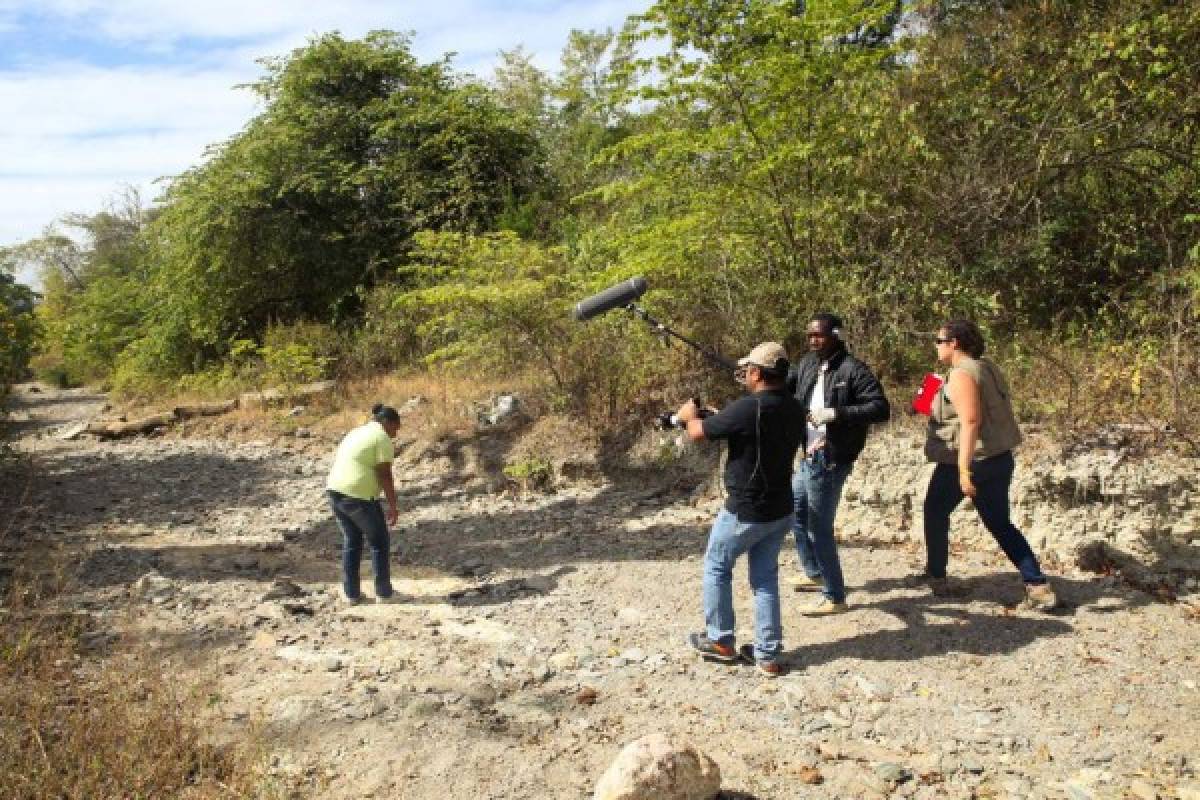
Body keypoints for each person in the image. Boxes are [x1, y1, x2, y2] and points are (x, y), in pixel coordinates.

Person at [677, 342, 805, 677]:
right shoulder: (793, 406)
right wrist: (722, 415)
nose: (744, 374)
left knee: (717, 566)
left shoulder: (748, 408)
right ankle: (768, 655)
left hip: (746, 509)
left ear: (758, 373)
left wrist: (686, 415)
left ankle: (720, 640)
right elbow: (743, 426)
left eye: (748, 369)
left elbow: (697, 432)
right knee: (765, 580)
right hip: (780, 508)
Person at [917, 319, 1057, 609]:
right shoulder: (985, 367)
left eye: (939, 341)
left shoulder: (961, 375)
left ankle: (937, 577)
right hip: (998, 459)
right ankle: (1037, 585)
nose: (936, 346)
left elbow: (970, 422)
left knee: (935, 511)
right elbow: (933, 410)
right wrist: (926, 394)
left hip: (971, 461)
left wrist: (964, 470)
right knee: (999, 523)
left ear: (954, 343)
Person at [787, 313, 890, 614]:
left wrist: (836, 414)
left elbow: (880, 407)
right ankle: (814, 573)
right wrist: (757, 373)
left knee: (819, 527)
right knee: (796, 511)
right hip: (808, 454)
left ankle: (835, 596)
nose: (812, 340)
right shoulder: (807, 363)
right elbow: (785, 383)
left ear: (836, 335)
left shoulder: (853, 370)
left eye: (818, 335)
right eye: (809, 335)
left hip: (831, 457)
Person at [326, 403, 402, 604]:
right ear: (387, 423)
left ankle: (351, 594)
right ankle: (384, 593)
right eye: (396, 427)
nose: (396, 432)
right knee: (379, 542)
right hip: (358, 497)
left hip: (335, 490)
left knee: (352, 541)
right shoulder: (381, 438)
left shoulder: (357, 431)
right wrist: (393, 506)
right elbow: (385, 474)